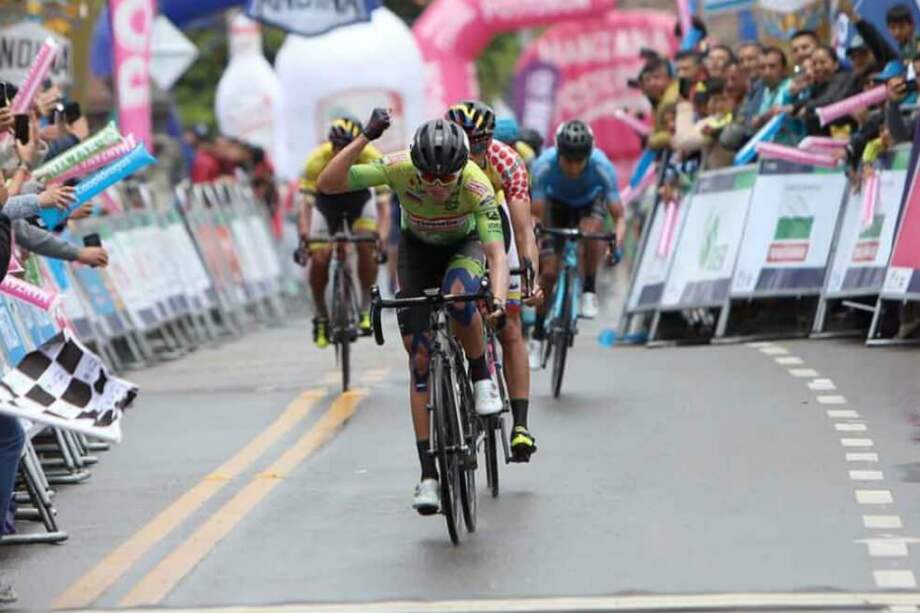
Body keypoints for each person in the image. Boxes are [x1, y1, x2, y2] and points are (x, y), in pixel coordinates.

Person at [317, 111, 508, 514]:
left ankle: (481, 377)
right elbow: (328, 183)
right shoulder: (398, 167)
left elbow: (495, 252)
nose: (437, 186)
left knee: (460, 300)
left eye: (446, 178)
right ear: (415, 166)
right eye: (429, 177)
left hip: (463, 247)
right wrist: (366, 136)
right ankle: (428, 476)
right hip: (417, 255)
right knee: (420, 362)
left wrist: (501, 299)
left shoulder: (474, 181)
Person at [445, 100, 541, 461]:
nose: (474, 151)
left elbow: (521, 229)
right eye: (468, 143)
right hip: (450, 222)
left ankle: (520, 426)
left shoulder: (507, 162)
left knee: (511, 327)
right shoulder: (433, 153)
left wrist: (529, 275)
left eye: (481, 143)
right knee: (455, 309)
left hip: (493, 223)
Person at [528, 120, 623, 366]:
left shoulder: (602, 167)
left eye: (579, 160)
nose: (572, 167)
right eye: (567, 160)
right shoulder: (543, 166)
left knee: (592, 232)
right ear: (558, 154)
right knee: (548, 274)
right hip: (555, 206)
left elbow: (619, 217)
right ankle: (537, 337)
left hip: (590, 204)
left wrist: (616, 246)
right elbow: (535, 214)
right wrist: (534, 237)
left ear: (588, 156)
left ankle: (589, 289)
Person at [296, 117, 390, 348]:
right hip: (326, 205)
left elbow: (384, 209)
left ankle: (365, 308)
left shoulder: (371, 157)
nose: (340, 151)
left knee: (366, 245)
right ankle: (320, 316)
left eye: (346, 145)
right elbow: (306, 208)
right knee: (319, 258)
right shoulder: (316, 161)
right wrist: (305, 237)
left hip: (358, 202)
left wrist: (381, 239)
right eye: (336, 145)